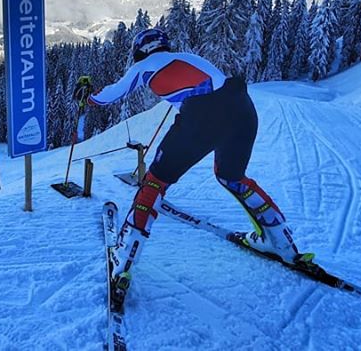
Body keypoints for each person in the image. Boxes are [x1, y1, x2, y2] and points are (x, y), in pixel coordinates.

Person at [77, 28, 301, 300]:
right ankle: (281, 242)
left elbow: (110, 95)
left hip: (202, 115)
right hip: (243, 107)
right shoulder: (189, 56)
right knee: (232, 176)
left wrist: (86, 95)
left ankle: (124, 260)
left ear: (140, 51)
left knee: (154, 182)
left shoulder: (144, 66)